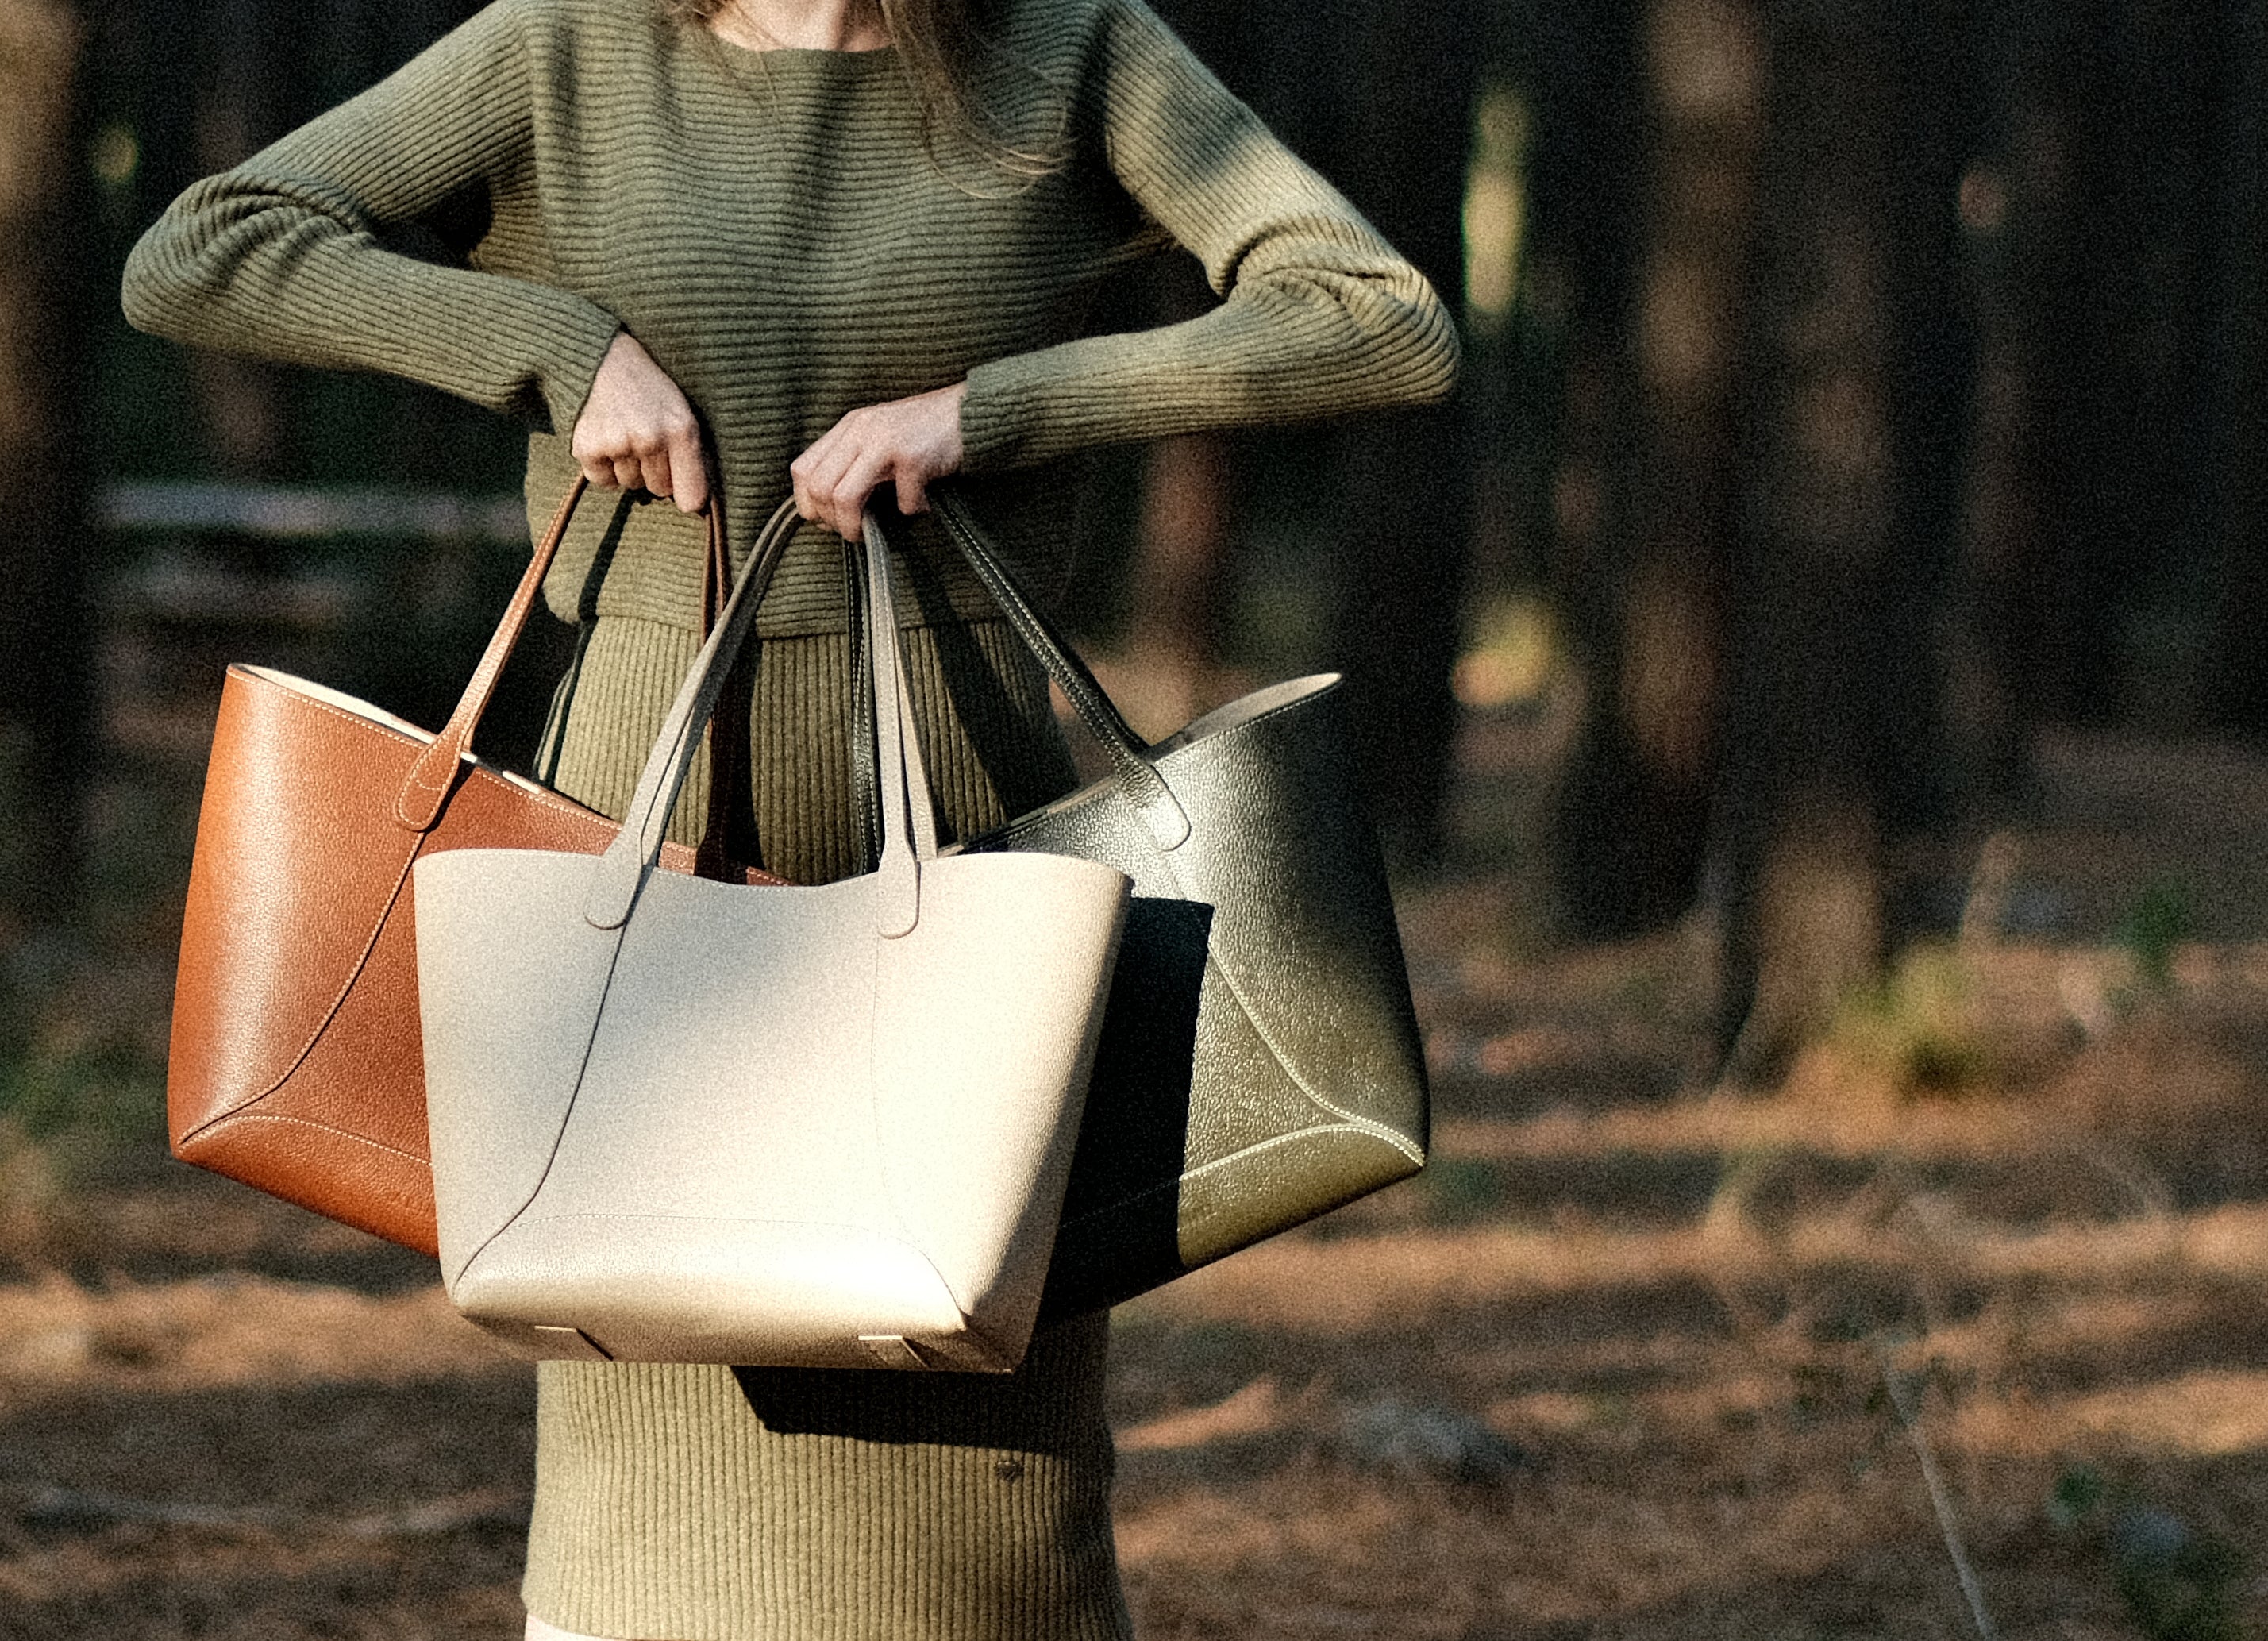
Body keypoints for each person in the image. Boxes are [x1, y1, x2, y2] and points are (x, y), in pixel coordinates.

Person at [123, 0, 1454, 1634]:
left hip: (969, 807)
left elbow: (1376, 319)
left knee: (973, 1359)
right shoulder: (564, 47)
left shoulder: (1069, 49)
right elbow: (201, 247)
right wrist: (548, 346)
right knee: (637, 1322)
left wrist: (992, 411)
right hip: (639, 802)